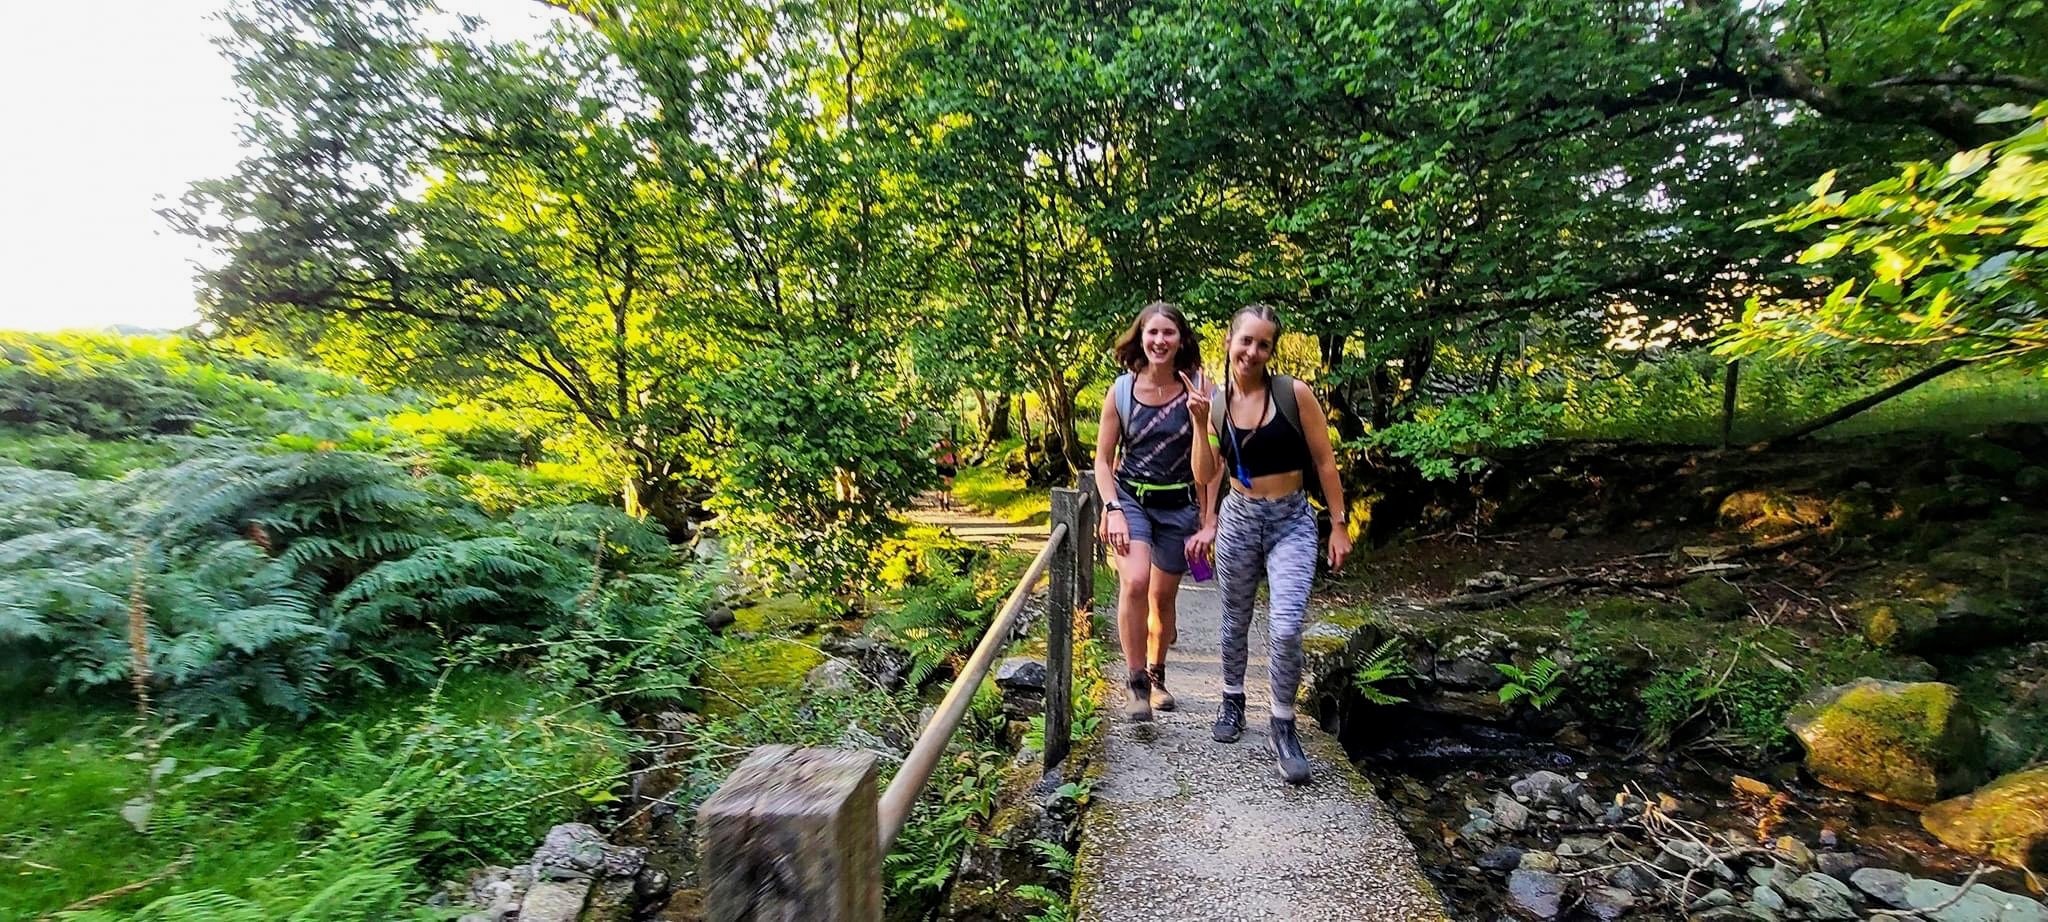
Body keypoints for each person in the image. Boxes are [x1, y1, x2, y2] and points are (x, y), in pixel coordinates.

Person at [1191, 303, 1351, 784]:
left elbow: (1324, 462)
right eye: (1246, 341)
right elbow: (1205, 473)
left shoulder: (1293, 394)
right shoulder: (1216, 403)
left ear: (1271, 350)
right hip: (1239, 519)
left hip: (1291, 522)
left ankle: (1282, 724)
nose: (1253, 351)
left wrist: (1339, 524)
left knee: (1285, 628)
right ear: (1229, 342)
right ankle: (1232, 699)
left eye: (1263, 344)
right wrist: (1199, 423)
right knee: (1234, 619)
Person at [1094, 301, 1213, 721]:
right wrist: (1112, 508)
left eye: (1168, 333)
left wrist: (1201, 422)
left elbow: (1209, 470)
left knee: (1162, 600)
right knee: (1135, 582)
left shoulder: (1200, 388)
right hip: (1131, 500)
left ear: (1181, 340)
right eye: (1152, 332)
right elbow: (1103, 461)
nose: (1160, 341)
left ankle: (1157, 674)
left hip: (1179, 504)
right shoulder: (1121, 392)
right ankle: (1136, 685)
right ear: (1140, 338)